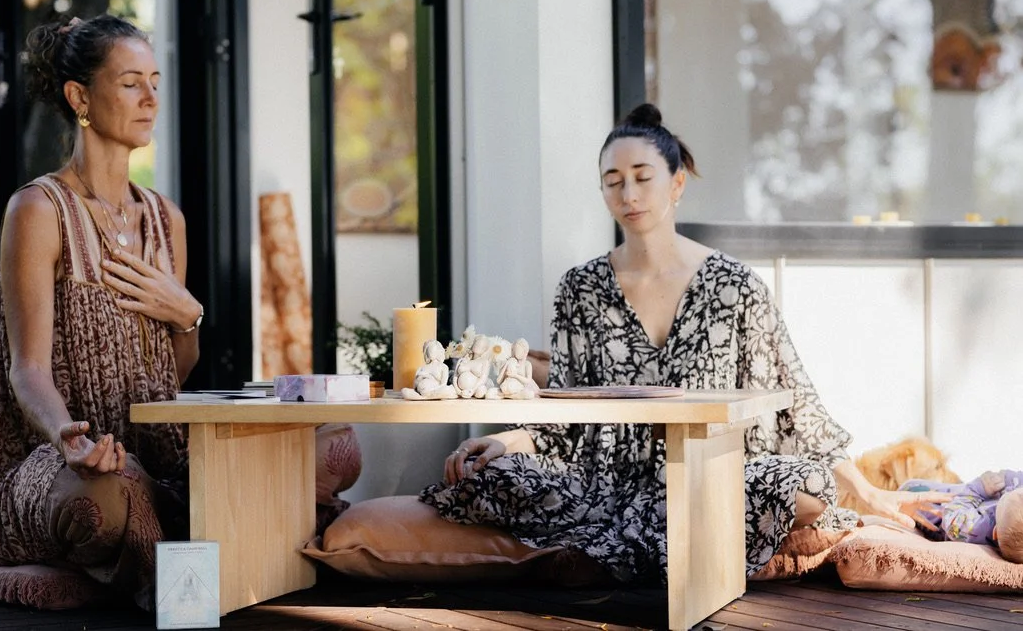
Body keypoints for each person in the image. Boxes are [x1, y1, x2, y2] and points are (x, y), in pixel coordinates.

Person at [421, 104, 952, 582]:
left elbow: (798, 406)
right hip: (605, 483)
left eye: (642, 177)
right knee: (488, 477)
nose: (628, 195)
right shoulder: (579, 288)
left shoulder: (735, 286)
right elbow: (562, 415)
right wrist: (506, 441)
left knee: (807, 485)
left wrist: (869, 493)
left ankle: (633, 541)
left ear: (676, 183)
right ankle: (661, 537)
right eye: (612, 181)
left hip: (714, 476)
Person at [0, 14, 203, 608]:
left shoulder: (166, 220)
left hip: (156, 451)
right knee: (101, 504)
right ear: (80, 97)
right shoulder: (38, 210)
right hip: (54, 457)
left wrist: (187, 315)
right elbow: (27, 370)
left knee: (321, 451)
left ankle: (155, 514)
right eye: (131, 83)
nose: (151, 99)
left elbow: (173, 374)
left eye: (155, 82)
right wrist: (68, 438)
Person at [901, 470, 1023, 562]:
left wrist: (979, 489)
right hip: (964, 498)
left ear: (995, 532)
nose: (1010, 490)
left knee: (908, 490)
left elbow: (952, 516)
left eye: (1007, 495)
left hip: (927, 505)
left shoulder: (975, 528)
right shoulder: (1010, 514)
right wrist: (1002, 478)